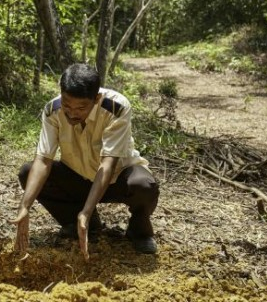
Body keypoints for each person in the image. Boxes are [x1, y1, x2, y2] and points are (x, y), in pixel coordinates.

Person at [12, 63, 159, 260]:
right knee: (27, 172)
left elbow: (108, 164)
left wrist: (87, 211)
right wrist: (25, 206)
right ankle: (81, 224)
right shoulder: (52, 111)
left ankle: (138, 231)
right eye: (67, 105)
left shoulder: (116, 108)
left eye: (81, 107)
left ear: (96, 99)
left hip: (116, 180)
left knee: (144, 185)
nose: (72, 113)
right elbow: (43, 160)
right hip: (78, 178)